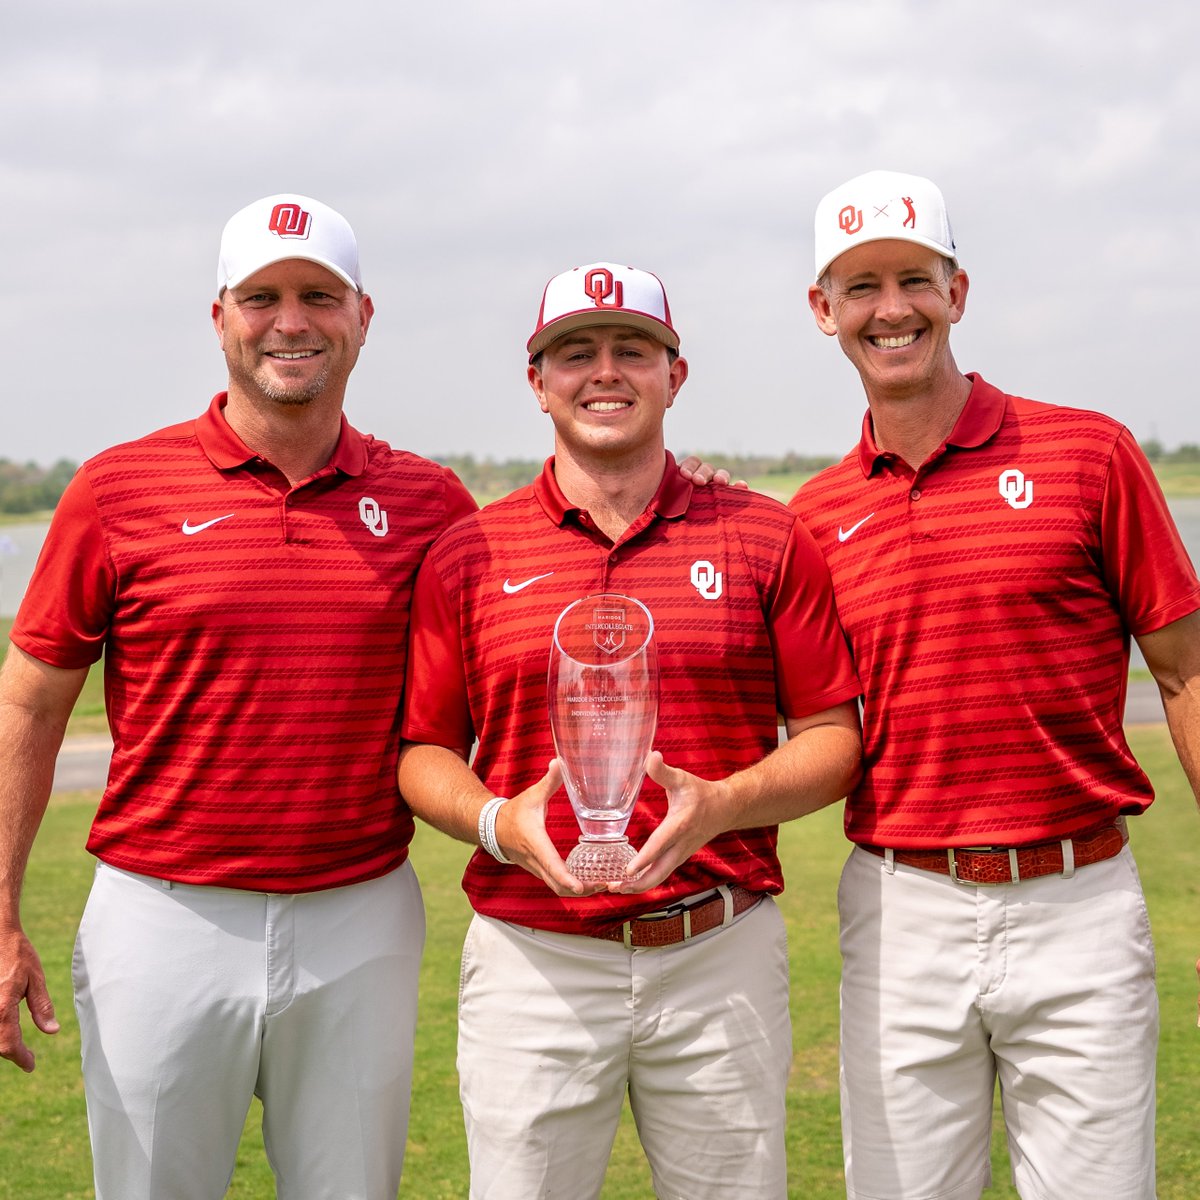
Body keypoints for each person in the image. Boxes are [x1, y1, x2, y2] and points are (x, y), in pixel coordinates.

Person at [0, 194, 479, 1199]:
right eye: (262, 297)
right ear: (220, 316)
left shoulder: (434, 503)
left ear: (362, 316)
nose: (290, 321)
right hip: (162, 917)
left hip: (360, 912)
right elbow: (32, 706)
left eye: (318, 295)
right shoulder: (117, 489)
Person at [397, 261, 862, 1200]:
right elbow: (423, 753)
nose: (604, 372)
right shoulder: (469, 551)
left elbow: (832, 736)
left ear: (674, 376)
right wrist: (498, 825)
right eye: (575, 353)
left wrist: (727, 803)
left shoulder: (763, 536)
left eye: (632, 350)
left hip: (717, 952)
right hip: (535, 959)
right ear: (538, 383)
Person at [790, 169, 1200, 1200]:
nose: (892, 308)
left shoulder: (1088, 454)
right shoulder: (814, 516)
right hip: (900, 910)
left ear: (957, 292)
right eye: (862, 286)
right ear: (824, 311)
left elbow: (1186, 669)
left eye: (914, 279)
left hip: (1080, 901)